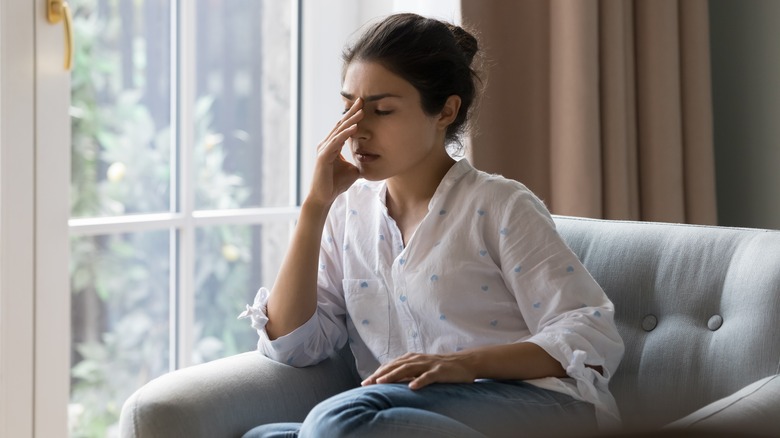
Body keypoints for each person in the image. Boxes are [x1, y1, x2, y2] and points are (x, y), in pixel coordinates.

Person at [239, 12, 624, 438]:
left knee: (341, 422)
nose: (356, 129)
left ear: (445, 111)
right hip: (411, 415)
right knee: (265, 437)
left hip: (536, 405)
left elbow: (589, 333)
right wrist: (315, 206)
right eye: (348, 107)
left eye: (381, 110)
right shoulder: (347, 214)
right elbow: (292, 346)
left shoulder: (500, 205)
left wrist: (463, 365)